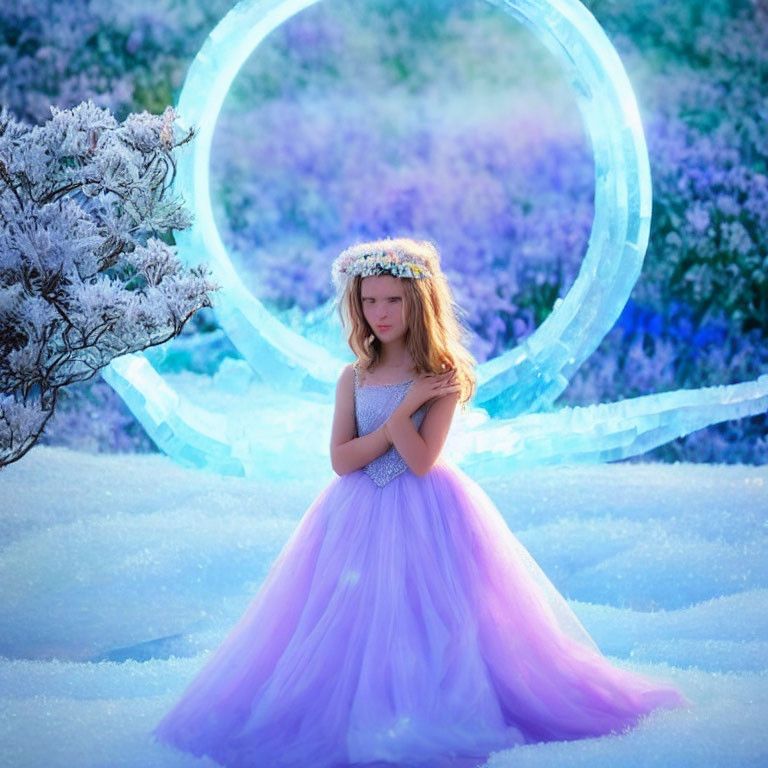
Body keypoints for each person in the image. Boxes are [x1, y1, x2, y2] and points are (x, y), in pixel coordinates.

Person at [150, 237, 692, 768]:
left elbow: (421, 460)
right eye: (368, 300)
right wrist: (400, 412)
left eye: (392, 300)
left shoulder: (442, 378)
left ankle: (425, 704)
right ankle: (346, 709)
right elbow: (342, 460)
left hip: (429, 512)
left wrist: (401, 416)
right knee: (344, 619)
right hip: (354, 512)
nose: (379, 312)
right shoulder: (355, 376)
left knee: (430, 617)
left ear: (418, 301)